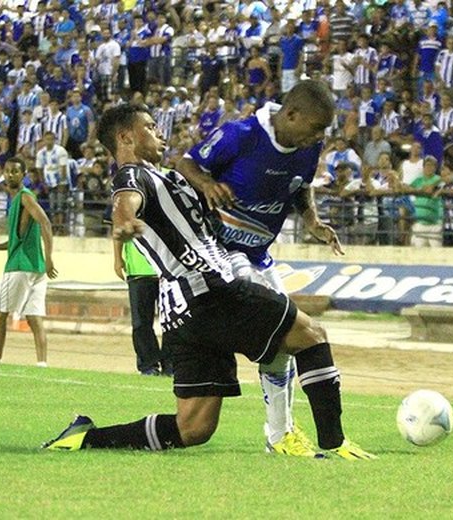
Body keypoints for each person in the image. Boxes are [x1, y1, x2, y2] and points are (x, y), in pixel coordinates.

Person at [43, 104, 374, 461]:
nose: (160, 134)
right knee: (312, 337)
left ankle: (84, 438)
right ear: (126, 137)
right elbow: (125, 201)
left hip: (182, 315)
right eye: (151, 128)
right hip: (211, 290)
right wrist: (123, 221)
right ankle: (334, 444)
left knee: (193, 428)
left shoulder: (168, 177)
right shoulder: (135, 176)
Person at [175, 80, 342, 458]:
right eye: (316, 127)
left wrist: (312, 221)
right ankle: (280, 433)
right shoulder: (241, 135)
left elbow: (301, 187)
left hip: (259, 256)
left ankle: (279, 435)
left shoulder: (308, 146)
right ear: (291, 114)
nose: (320, 137)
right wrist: (206, 183)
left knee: (284, 346)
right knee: (280, 332)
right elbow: (186, 163)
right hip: (221, 254)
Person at [0, 157, 58, 366]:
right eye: (8, 171)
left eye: (15, 171)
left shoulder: (25, 198)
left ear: (23, 175)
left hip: (19, 266)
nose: (10, 175)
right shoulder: (19, 200)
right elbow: (16, 241)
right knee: (34, 318)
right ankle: (42, 364)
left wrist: (50, 257)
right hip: (36, 268)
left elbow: (45, 222)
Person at [113, 238, 171, 376]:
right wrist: (117, 259)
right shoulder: (128, 215)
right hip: (138, 271)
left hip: (167, 271)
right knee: (140, 323)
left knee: (172, 322)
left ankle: (171, 365)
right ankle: (148, 365)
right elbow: (118, 229)